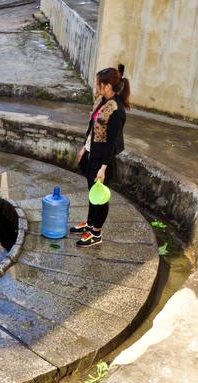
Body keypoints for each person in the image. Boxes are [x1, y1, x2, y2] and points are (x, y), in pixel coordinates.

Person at [70, 64, 130, 247]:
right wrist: (84, 148)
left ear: (108, 86)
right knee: (91, 192)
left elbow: (111, 143)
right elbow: (92, 127)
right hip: (92, 152)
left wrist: (103, 168)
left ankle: (96, 233)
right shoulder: (102, 101)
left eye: (99, 84)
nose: (96, 87)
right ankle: (89, 224)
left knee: (99, 196)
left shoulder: (117, 110)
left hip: (103, 157)